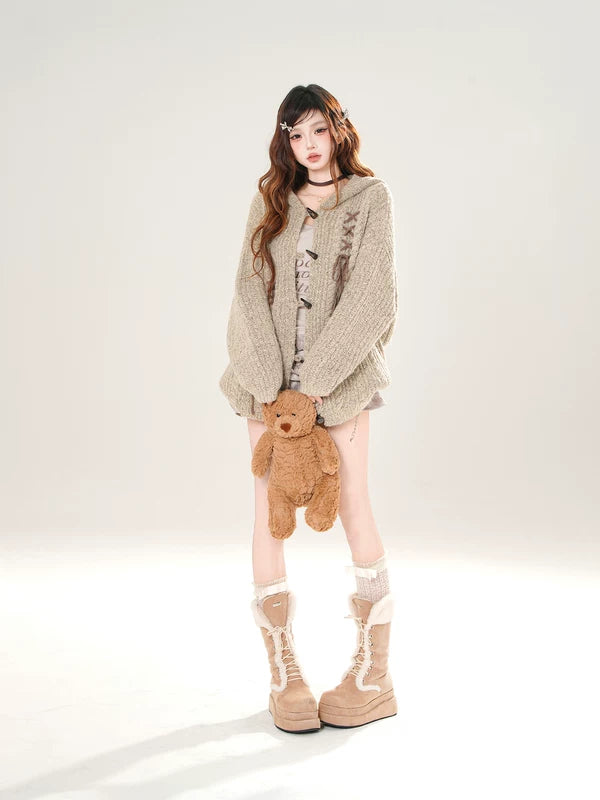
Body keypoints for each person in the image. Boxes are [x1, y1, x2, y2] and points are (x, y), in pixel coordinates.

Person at [219, 84, 398, 733]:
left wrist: (315, 385)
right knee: (268, 515)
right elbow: (246, 292)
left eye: (318, 129)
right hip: (268, 394)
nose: (309, 145)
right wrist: (271, 387)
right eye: (295, 135)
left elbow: (374, 296)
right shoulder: (271, 199)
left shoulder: (369, 199)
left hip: (339, 385)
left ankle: (374, 674)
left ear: (337, 129)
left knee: (352, 504)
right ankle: (284, 673)